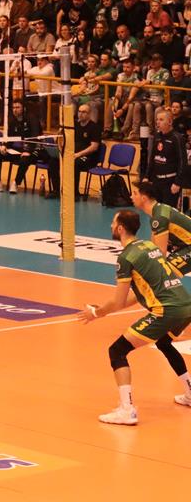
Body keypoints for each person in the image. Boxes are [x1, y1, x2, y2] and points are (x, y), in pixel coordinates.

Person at [76, 209, 191, 425]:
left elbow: (118, 302)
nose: (110, 225)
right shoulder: (148, 246)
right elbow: (137, 296)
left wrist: (96, 313)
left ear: (120, 228)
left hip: (167, 310)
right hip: (186, 305)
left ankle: (127, 410)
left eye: (113, 222)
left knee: (117, 351)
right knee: (164, 343)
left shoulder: (126, 258)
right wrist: (103, 309)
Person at [132, 180, 191, 276]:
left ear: (144, 198)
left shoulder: (159, 218)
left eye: (135, 193)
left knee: (164, 274)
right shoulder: (158, 211)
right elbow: (153, 246)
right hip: (185, 245)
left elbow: (160, 253)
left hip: (188, 246)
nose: (131, 196)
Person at [144, 108, 184, 206]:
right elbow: (152, 158)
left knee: (167, 212)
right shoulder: (157, 136)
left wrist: (177, 183)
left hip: (170, 182)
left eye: (161, 120)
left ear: (170, 122)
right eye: (157, 119)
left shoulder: (177, 138)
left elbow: (183, 162)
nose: (158, 122)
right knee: (156, 211)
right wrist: (147, 176)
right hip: (156, 181)